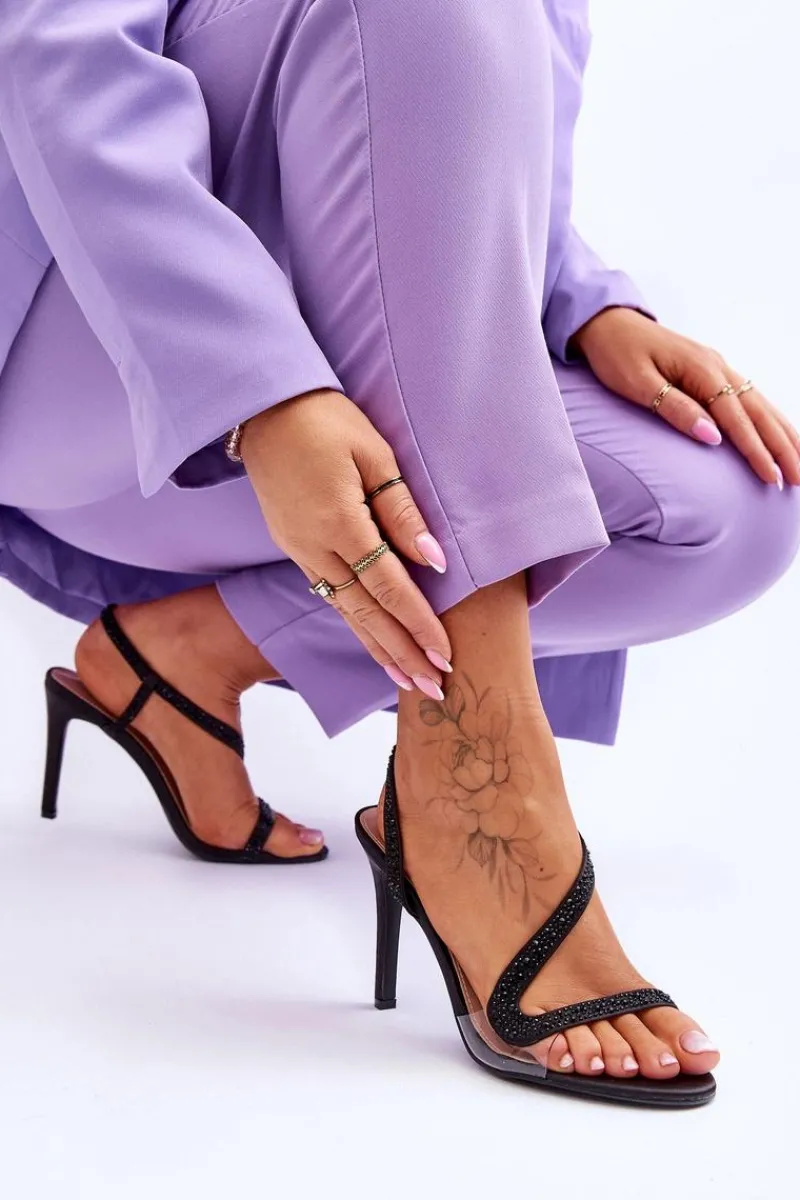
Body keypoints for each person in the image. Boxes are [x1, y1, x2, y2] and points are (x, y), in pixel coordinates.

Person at [1, 0, 797, 1102]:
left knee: (725, 504)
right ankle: (476, 787)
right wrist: (257, 388)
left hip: (359, 346)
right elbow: (59, 56)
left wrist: (585, 303)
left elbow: (463, 110)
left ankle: (187, 652)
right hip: (97, 336)